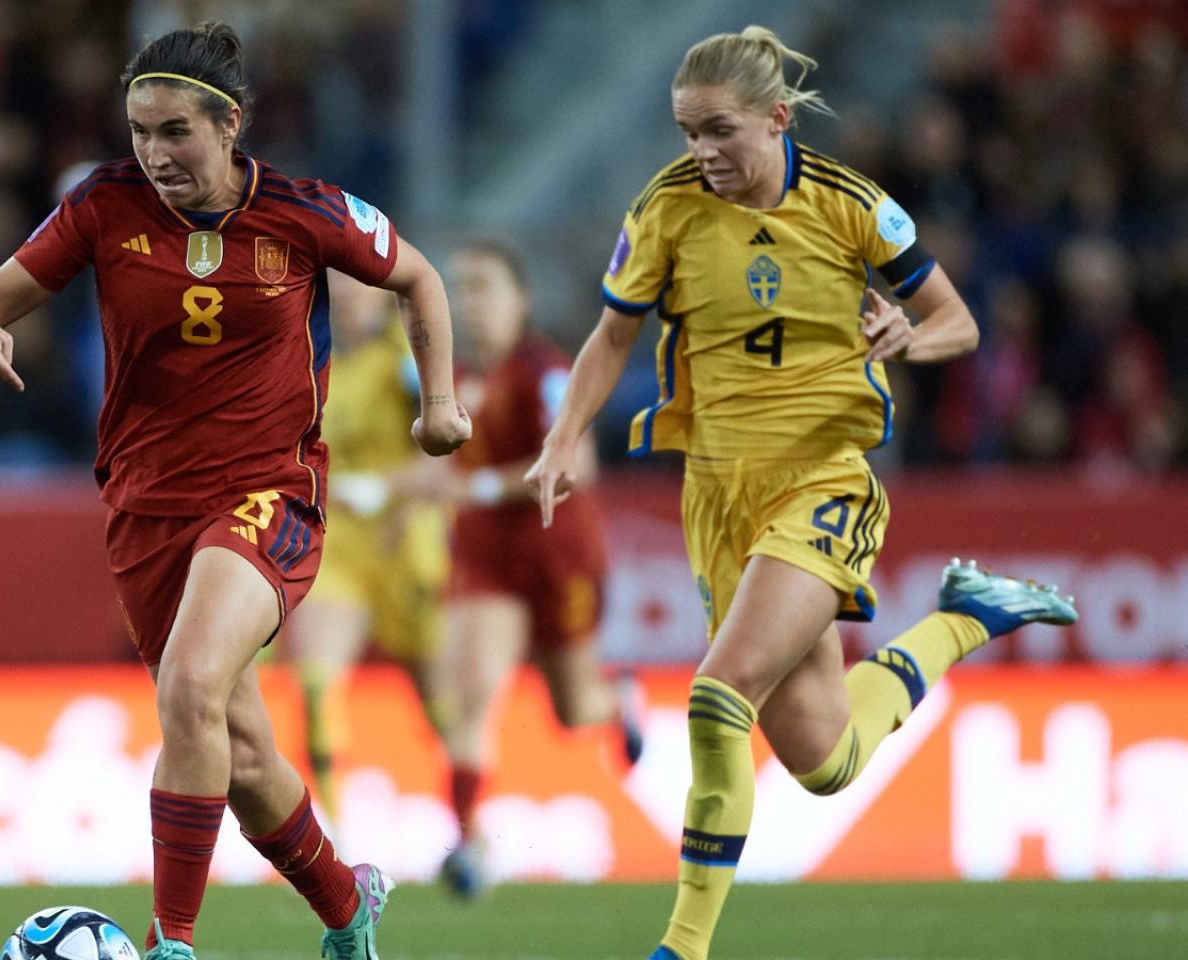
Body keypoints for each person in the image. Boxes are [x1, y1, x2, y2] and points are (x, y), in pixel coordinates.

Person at [522, 27, 1077, 960]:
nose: (702, 152)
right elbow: (613, 334)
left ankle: (682, 946)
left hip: (824, 478)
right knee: (824, 759)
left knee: (715, 695)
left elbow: (960, 322)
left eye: (720, 131)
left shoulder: (854, 206)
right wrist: (563, 437)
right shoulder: (665, 208)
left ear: (778, 119)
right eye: (688, 132)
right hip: (717, 490)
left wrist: (907, 336)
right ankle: (965, 619)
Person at [0, 22, 470, 960]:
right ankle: (349, 909)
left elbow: (420, 278)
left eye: (175, 132)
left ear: (229, 126)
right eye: (140, 132)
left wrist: (440, 405)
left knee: (189, 686)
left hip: (270, 492)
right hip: (146, 505)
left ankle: (169, 944)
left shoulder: (308, 213)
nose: (154, 154)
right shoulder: (104, 206)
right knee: (243, 749)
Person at [435, 240, 646, 898]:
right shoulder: (458, 380)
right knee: (471, 696)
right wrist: (380, 494)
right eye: (461, 290)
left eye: (484, 288)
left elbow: (575, 467)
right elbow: (444, 476)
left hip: (559, 556)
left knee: (574, 708)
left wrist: (488, 489)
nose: (470, 304)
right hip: (486, 557)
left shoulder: (547, 371)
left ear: (519, 299)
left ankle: (619, 701)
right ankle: (470, 845)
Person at [287, 270, 453, 822]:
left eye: (362, 286)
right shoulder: (307, 359)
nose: (352, 297)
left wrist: (386, 486)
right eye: (341, 287)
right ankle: (331, 840)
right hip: (336, 541)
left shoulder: (408, 360)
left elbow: (449, 453)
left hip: (407, 541)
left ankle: (469, 822)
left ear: (386, 295)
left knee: (440, 703)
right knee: (316, 682)